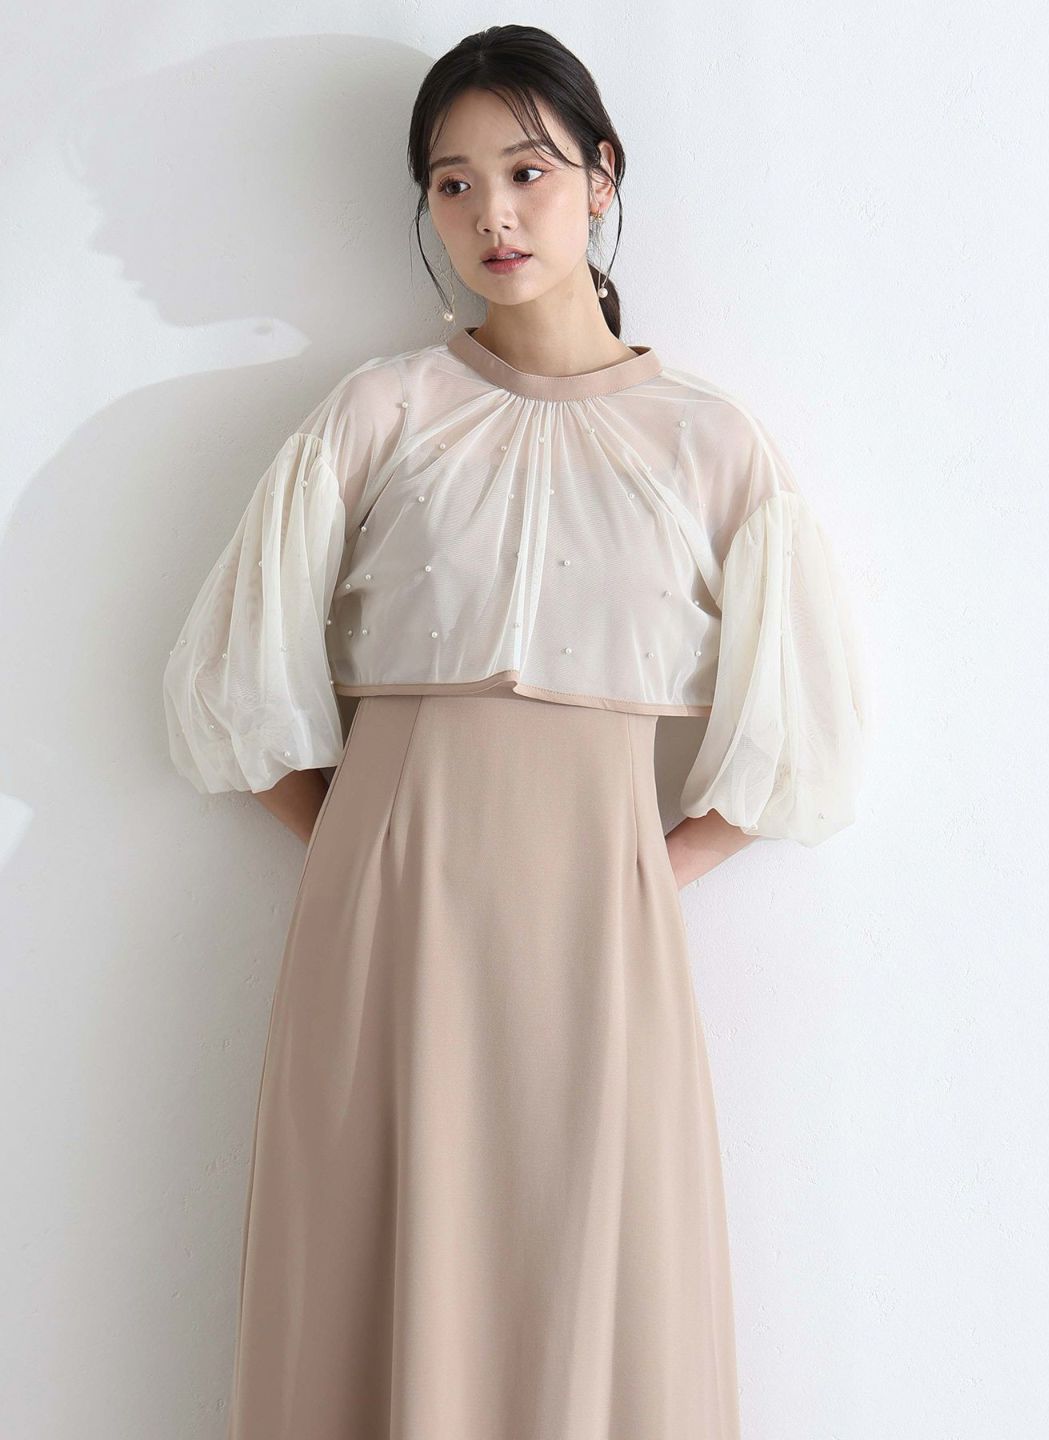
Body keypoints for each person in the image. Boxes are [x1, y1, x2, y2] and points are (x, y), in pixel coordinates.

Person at [163, 24, 871, 1440]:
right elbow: (233, 697)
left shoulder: (708, 444)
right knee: (371, 1266)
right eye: (453, 183)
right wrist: (363, 858)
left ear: (602, 178)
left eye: (528, 171)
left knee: (593, 1277)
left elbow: (801, 743)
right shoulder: (383, 414)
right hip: (385, 935)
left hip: (602, 946)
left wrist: (645, 876)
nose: (492, 213)